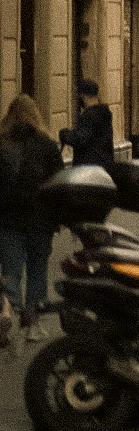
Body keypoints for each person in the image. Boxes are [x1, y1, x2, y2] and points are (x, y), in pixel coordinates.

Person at [0, 95, 64, 345]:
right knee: (37, 272)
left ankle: (5, 311)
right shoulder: (47, 145)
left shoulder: (1, 144)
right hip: (41, 220)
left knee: (11, 272)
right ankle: (33, 325)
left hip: (8, 220)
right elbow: (59, 183)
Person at [59, 79, 114, 167]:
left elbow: (81, 138)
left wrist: (65, 134)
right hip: (104, 165)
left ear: (83, 96)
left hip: (89, 168)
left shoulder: (89, 116)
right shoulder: (104, 113)